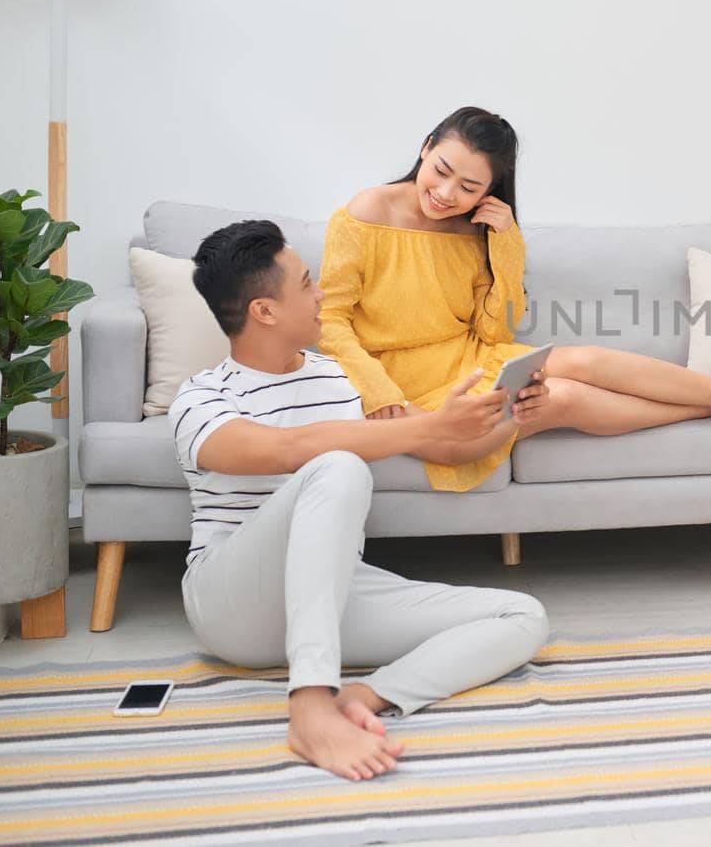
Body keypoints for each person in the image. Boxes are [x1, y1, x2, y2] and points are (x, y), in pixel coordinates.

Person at [171, 219, 550, 782]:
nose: (322, 292)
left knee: (522, 615)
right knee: (339, 465)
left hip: (331, 595)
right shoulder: (202, 397)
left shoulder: (337, 379)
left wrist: (508, 417)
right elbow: (284, 450)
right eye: (305, 283)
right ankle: (309, 702)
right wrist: (424, 429)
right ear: (264, 311)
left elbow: (444, 444)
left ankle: (363, 699)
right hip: (231, 603)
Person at [317, 105, 711, 493]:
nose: (447, 193)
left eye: (469, 186)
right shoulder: (365, 213)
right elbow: (331, 319)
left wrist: (506, 242)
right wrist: (379, 390)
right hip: (397, 380)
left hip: (470, 358)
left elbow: (494, 333)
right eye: (442, 169)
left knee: (583, 359)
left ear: (490, 191)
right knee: (561, 397)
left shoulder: (475, 230)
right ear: (426, 148)